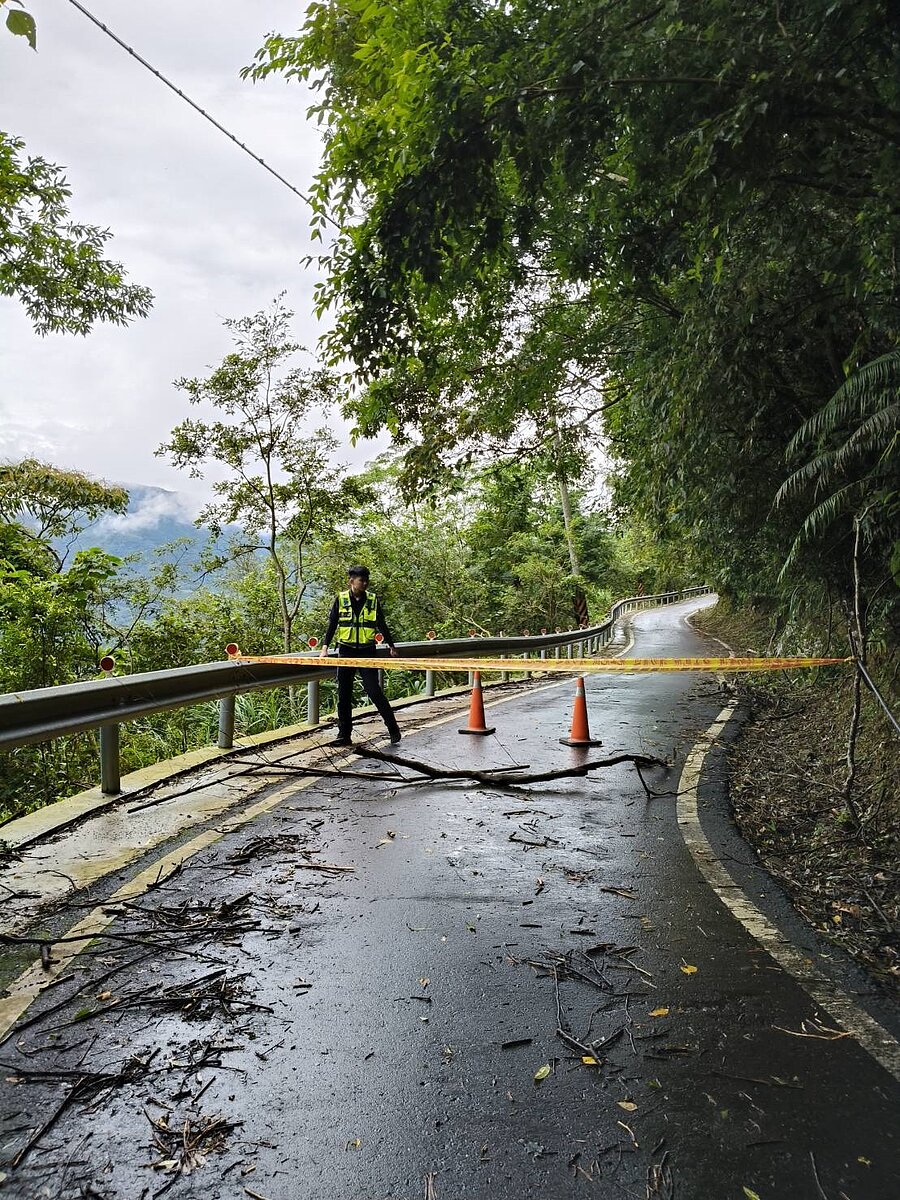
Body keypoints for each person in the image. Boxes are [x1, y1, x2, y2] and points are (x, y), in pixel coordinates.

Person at [319, 565, 401, 746]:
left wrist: (391, 646)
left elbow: (381, 623)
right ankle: (344, 735)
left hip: (367, 651)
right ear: (351, 581)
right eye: (360, 580)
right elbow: (332, 624)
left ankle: (393, 728)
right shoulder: (340, 599)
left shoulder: (372, 599)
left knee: (374, 691)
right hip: (346, 650)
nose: (364, 583)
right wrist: (324, 647)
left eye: (366, 580)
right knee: (344, 694)